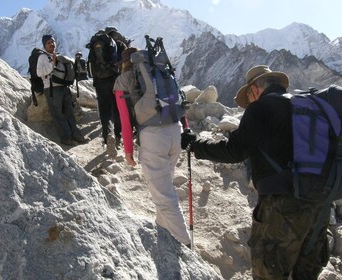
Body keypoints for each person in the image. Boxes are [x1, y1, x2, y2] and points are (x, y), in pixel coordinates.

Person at [181, 65, 330, 279]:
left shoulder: (261, 108)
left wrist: (196, 145)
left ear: (254, 88)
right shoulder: (304, 106)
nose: (249, 102)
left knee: (268, 272)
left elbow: (235, 151)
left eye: (249, 97)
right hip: (321, 204)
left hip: (283, 206)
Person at [114, 47, 191, 247]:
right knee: (165, 187)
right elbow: (177, 101)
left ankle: (187, 247)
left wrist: (129, 150)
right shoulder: (157, 72)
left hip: (153, 137)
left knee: (165, 197)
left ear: (124, 63)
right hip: (176, 130)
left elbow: (124, 118)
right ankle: (163, 231)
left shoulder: (123, 80)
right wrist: (186, 130)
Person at [36, 34, 87, 146]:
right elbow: (39, 73)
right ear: (44, 45)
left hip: (63, 87)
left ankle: (76, 135)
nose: (51, 44)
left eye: (53, 42)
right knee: (58, 115)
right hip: (51, 89)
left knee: (69, 113)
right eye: (48, 42)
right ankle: (66, 138)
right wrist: (52, 63)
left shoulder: (59, 56)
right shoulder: (42, 57)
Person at [87, 28, 127, 157]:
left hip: (100, 81)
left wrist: (96, 81)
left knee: (105, 111)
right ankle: (117, 136)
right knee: (117, 109)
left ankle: (107, 135)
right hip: (116, 81)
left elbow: (91, 65)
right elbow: (126, 64)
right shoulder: (119, 45)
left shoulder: (94, 46)